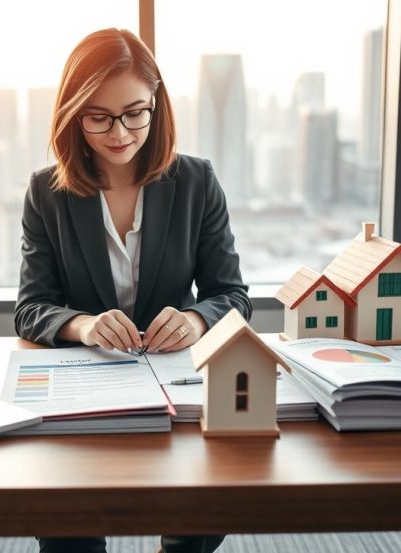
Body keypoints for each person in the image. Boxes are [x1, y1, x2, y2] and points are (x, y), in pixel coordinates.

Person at [15, 28, 251, 553]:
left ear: (156, 104)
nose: (119, 131)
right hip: (84, 394)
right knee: (65, 528)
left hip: (175, 390)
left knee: (204, 512)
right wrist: (83, 324)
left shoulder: (196, 181)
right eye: (98, 116)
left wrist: (193, 320)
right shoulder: (46, 193)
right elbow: (31, 308)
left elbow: (232, 295)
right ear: (72, 114)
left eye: (134, 112)